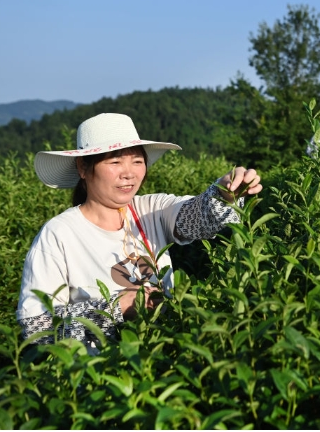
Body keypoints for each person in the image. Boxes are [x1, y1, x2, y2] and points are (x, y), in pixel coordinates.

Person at [17, 113, 263, 348]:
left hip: (160, 363)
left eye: (137, 161)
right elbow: (35, 329)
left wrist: (224, 194)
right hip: (93, 378)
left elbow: (199, 217)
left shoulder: (150, 210)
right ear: (83, 167)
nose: (129, 173)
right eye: (115, 161)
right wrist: (115, 309)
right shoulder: (60, 234)